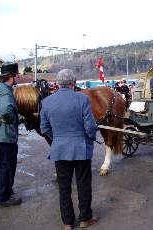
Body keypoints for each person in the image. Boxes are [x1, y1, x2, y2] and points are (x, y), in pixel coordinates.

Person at [40, 69, 99, 230]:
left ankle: (67, 222)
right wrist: (90, 138)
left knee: (64, 187)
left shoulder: (46, 102)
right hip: (81, 149)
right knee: (83, 184)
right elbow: (90, 126)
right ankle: (85, 219)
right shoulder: (82, 99)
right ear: (73, 82)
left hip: (59, 150)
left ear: (58, 83)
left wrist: (58, 139)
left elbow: (44, 128)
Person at [0, 63, 22, 207]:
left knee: (2, 165)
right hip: (5, 136)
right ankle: (3, 197)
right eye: (16, 75)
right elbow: (6, 110)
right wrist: (16, 119)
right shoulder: (6, 92)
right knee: (7, 166)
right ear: (11, 77)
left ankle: (6, 191)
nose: (18, 78)